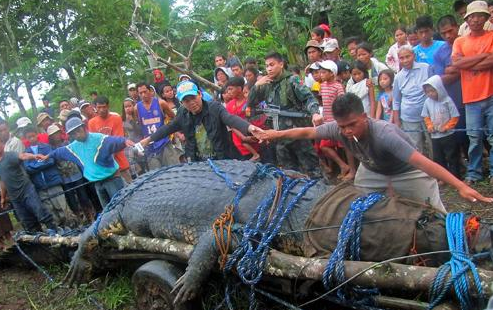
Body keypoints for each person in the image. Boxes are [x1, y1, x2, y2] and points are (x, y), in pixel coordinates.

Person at [255, 93, 493, 213]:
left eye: (352, 125)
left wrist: (459, 185)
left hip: (407, 173)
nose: (347, 131)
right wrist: (273, 135)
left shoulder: (385, 134)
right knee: (361, 206)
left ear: (365, 117)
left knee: (436, 214)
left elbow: (424, 163)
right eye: (342, 127)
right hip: (372, 171)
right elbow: (307, 132)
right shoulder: (338, 129)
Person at [136, 80, 262, 162]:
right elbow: (167, 128)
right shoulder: (182, 114)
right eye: (186, 101)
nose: (191, 103)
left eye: (193, 98)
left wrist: (250, 128)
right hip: (199, 161)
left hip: (223, 158)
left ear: (199, 94)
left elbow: (230, 119)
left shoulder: (214, 107)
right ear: (181, 102)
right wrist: (147, 140)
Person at [247, 52, 323, 177]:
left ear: (281, 64)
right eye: (267, 66)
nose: (269, 69)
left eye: (272, 65)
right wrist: (256, 86)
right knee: (288, 174)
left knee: (313, 170)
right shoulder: (266, 84)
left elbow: (308, 98)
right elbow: (250, 104)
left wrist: (315, 113)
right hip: (279, 137)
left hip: (298, 133)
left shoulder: (293, 80)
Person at [39, 117, 134, 207]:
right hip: (97, 183)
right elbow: (58, 152)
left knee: (122, 205)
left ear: (84, 128)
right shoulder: (73, 147)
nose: (77, 135)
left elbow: (113, 140)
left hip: (112, 179)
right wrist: (47, 156)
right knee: (108, 210)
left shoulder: (99, 138)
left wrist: (124, 141)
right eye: (73, 134)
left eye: (78, 131)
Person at [452, 0, 493, 184]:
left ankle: (492, 172)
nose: (476, 19)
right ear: (467, 19)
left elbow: (491, 61)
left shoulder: (491, 36)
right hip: (471, 98)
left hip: (490, 95)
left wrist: (468, 62)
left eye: (480, 15)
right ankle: (474, 173)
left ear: (486, 18)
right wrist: (483, 56)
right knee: (474, 138)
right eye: (472, 16)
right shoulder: (460, 41)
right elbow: (457, 63)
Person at [22, 126, 78, 228]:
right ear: (26, 139)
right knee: (50, 210)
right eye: (29, 137)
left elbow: (51, 160)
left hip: (53, 182)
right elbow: (28, 168)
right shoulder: (26, 153)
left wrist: (36, 165)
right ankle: (59, 231)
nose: (31, 139)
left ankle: (73, 226)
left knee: (62, 206)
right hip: (40, 186)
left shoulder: (46, 147)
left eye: (33, 136)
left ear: (37, 135)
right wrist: (42, 162)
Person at [0, 136, 58, 233]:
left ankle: (54, 231)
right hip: (14, 197)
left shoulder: (9, 156)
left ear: (2, 144)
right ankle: (39, 241)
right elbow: (2, 181)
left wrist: (34, 156)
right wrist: (3, 197)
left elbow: (23, 156)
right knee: (27, 221)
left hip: (26, 189)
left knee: (40, 212)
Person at [434, 15, 468, 165]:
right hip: (456, 99)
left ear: (457, 26)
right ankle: (469, 163)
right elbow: (441, 79)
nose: (448, 35)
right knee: (462, 136)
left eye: (450, 30)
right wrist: (465, 68)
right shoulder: (440, 53)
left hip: (478, 93)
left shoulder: (469, 42)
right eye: (443, 33)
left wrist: (453, 69)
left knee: (483, 132)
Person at [47, 124, 95, 223]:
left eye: (57, 133)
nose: (56, 136)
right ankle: (79, 219)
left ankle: (90, 215)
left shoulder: (68, 143)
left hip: (76, 174)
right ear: (50, 137)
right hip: (64, 177)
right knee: (71, 199)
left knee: (83, 196)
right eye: (53, 134)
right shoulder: (50, 149)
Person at [318, 60, 355, 180]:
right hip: (326, 121)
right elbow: (322, 101)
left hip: (338, 121)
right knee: (324, 146)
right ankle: (343, 166)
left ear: (332, 73)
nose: (321, 75)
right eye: (321, 72)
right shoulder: (322, 86)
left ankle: (352, 169)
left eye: (324, 72)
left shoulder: (338, 86)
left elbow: (342, 103)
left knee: (345, 146)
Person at [392, 45, 432, 153]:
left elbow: (435, 88)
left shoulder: (426, 68)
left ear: (413, 56)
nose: (405, 60)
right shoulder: (398, 77)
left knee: (433, 144)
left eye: (407, 56)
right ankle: (421, 170)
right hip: (409, 117)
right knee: (416, 147)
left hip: (429, 114)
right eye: (401, 58)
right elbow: (396, 101)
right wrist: (397, 121)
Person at [421, 75, 461, 178]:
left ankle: (455, 177)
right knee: (439, 158)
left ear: (439, 88)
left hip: (448, 135)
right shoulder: (427, 102)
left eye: (432, 91)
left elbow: (455, 116)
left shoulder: (447, 100)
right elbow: (426, 116)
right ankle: (443, 178)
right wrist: (429, 126)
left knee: (452, 156)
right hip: (435, 136)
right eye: (428, 92)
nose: (430, 93)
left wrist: (448, 126)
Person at [135, 83, 181, 170]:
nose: (143, 95)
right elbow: (139, 126)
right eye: (140, 93)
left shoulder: (161, 103)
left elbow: (175, 118)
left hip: (164, 142)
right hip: (150, 147)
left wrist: (175, 133)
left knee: (174, 170)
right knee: (157, 175)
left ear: (150, 91)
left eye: (145, 92)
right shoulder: (136, 108)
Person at [88, 96, 132, 183]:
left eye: (104, 107)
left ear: (108, 106)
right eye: (99, 107)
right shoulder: (91, 123)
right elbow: (94, 144)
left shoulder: (116, 118)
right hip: (105, 167)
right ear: (95, 108)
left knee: (130, 186)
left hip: (120, 162)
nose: (101, 110)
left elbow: (118, 140)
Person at [225, 77, 261, 161]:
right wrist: (243, 137)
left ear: (239, 88)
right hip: (238, 141)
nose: (228, 92)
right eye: (227, 90)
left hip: (254, 137)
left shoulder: (250, 102)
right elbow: (231, 124)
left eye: (230, 89)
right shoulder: (229, 105)